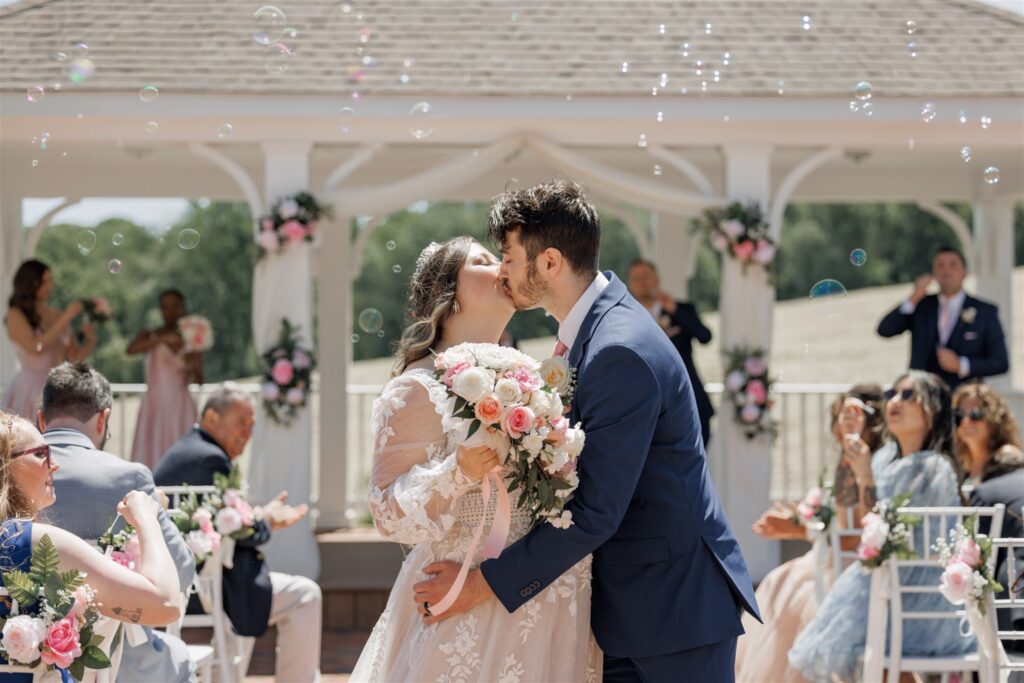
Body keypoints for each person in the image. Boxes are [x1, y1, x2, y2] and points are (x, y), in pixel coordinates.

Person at [413, 180, 759, 682]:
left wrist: (478, 585)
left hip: (669, 615)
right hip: (635, 612)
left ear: (549, 262)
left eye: (508, 257)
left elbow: (596, 512)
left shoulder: (618, 349)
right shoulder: (591, 333)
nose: (502, 270)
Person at [350, 236, 601, 681]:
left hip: (545, 596)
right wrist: (457, 472)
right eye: (485, 261)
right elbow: (386, 514)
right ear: (450, 295)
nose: (504, 266)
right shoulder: (418, 386)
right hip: (467, 602)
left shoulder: (530, 377)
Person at [788, 371, 975, 681]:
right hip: (892, 589)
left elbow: (889, 533)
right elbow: (869, 524)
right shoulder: (886, 458)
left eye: (908, 395)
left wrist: (865, 474)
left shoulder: (932, 466)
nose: (895, 402)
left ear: (933, 411)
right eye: (892, 394)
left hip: (921, 598)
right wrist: (859, 466)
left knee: (859, 639)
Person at [37, 362, 198, 683]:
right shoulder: (128, 477)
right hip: (115, 659)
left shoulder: (15, 479)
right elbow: (180, 574)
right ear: (103, 418)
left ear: (41, 418)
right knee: (179, 658)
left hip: (25, 652)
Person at [153, 385, 321, 683]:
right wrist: (265, 521)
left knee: (270, 597)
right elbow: (242, 532)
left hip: (198, 580)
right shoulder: (210, 459)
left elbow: (225, 522)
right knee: (306, 595)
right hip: (205, 586)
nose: (248, 432)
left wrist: (260, 517)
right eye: (241, 422)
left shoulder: (192, 450)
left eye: (252, 425)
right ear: (212, 418)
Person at [0, 412, 182, 682]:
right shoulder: (35, 543)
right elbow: (165, 604)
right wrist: (146, 518)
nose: (55, 465)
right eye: (41, 454)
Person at [737, 384, 885, 683]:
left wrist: (797, 529)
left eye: (854, 414)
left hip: (851, 569)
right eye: (841, 415)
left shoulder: (874, 465)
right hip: (831, 559)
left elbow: (855, 538)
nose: (844, 422)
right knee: (777, 583)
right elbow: (840, 532)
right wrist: (800, 527)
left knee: (791, 590)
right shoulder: (845, 465)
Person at [953, 381, 1024, 654]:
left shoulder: (1008, 464)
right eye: (960, 416)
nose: (968, 421)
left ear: (994, 420)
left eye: (977, 414)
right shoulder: (960, 468)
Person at [877, 246, 1009, 389]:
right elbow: (885, 330)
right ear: (933, 273)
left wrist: (961, 365)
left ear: (964, 272)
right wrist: (915, 296)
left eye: (953, 265)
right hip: (922, 397)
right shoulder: (921, 306)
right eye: (940, 265)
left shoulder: (985, 311)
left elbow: (1000, 362)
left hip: (963, 398)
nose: (946, 271)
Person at [627, 258, 715, 447]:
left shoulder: (682, 309)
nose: (642, 282)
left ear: (657, 279)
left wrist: (674, 310)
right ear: (630, 286)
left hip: (691, 403)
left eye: (646, 276)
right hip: (649, 412)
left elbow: (705, 336)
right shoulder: (627, 318)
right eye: (636, 278)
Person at [4, 260, 95, 420]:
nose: (49, 285)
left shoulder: (58, 316)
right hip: (29, 390)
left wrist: (90, 340)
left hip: (57, 389)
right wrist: (67, 317)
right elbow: (35, 347)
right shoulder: (16, 315)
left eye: (50, 280)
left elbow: (73, 358)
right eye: (44, 281)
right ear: (29, 283)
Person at [127, 289, 203, 470]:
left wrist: (194, 359)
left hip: (180, 404)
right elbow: (131, 349)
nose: (170, 311)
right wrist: (162, 338)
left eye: (175, 306)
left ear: (183, 308)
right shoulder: (149, 334)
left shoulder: (191, 340)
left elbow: (200, 379)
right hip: (155, 402)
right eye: (165, 307)